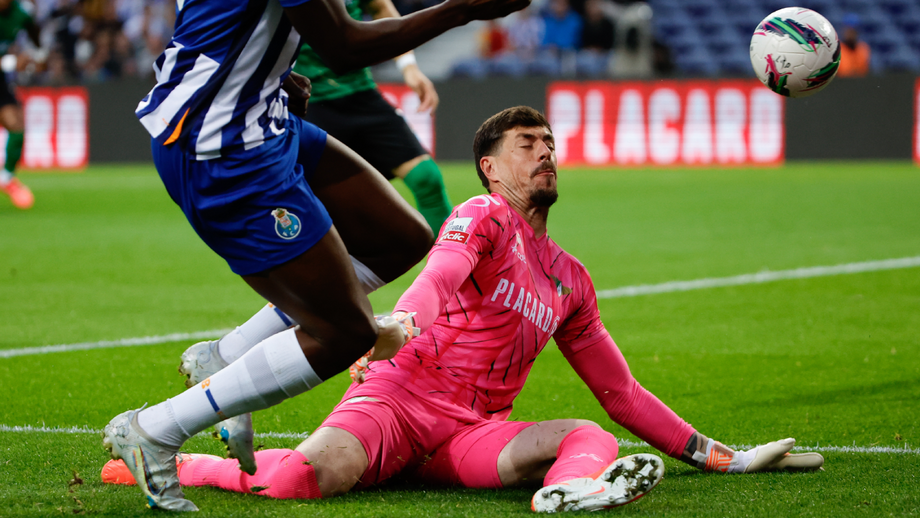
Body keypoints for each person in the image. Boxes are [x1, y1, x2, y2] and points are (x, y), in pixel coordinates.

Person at [103, 107, 825, 513]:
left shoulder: (571, 280)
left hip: (469, 435)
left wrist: (719, 458)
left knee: (582, 431)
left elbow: (620, 393)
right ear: (491, 167)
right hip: (397, 399)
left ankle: (571, 491)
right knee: (298, 481)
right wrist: (400, 326)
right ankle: (178, 455)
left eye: (549, 145)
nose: (544, 154)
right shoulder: (481, 215)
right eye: (526, 146)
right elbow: (440, 275)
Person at [101, 0, 530, 511]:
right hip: (221, 149)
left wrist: (274, 71)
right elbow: (343, 45)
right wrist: (463, 9)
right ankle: (154, 431)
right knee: (346, 333)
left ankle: (226, 356)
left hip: (262, 115)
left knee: (401, 239)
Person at [295, 0, 452, 234]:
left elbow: (381, 8)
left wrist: (409, 66)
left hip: (362, 93)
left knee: (426, 178)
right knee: (325, 205)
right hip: (308, 103)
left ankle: (454, 266)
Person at [0, 0, 43, 210]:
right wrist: (11, 62)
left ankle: (6, 177)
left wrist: (39, 53)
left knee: (16, 125)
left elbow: (34, 31)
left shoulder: (21, 12)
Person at [837, 13, 870, 78]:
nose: (851, 33)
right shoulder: (836, 49)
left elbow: (864, 71)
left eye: (853, 30)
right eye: (848, 30)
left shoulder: (863, 48)